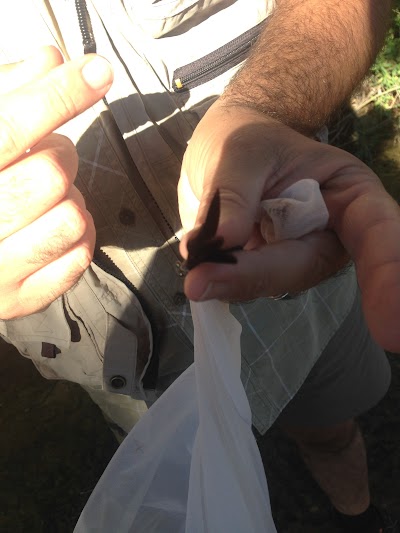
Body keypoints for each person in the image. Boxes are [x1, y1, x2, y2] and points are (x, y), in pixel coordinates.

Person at [0, 1, 399, 531]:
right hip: (127, 362)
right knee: (183, 486)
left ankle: (360, 516)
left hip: (306, 305)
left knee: (332, 430)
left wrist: (265, 107)